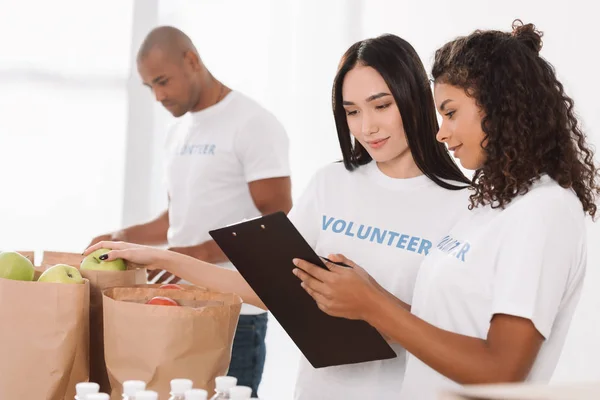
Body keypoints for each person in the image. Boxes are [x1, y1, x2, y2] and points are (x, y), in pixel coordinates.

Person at [85, 34, 471, 399]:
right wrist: (163, 257)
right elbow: (269, 290)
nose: (367, 127)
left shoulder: (463, 207)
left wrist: (372, 303)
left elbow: (458, 339)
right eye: (352, 111)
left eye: (381, 105)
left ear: (416, 97)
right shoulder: (331, 183)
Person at [291, 20, 600, 400]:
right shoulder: (491, 205)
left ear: (499, 106)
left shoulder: (545, 211)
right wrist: (371, 294)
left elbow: (502, 369)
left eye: (450, 113)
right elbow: (445, 325)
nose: (441, 132)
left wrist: (373, 306)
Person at [87, 26, 293, 397]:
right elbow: (175, 217)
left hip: (236, 314)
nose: (159, 96)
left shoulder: (252, 123)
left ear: (192, 61)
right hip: (177, 305)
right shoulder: (178, 133)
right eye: (150, 87)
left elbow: (276, 220)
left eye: (163, 81)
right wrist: (122, 238)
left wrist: (197, 255)